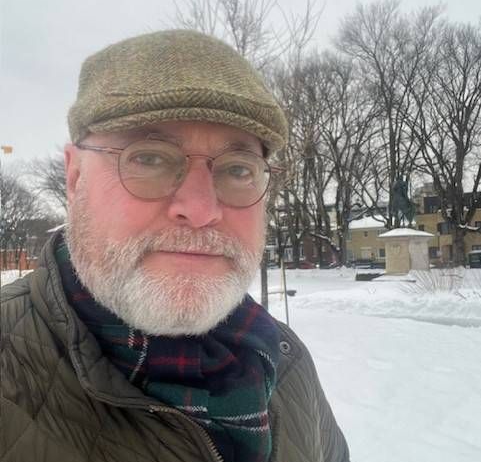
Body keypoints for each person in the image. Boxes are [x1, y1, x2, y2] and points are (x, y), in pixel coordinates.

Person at [1, 30, 349, 462]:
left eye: (238, 169)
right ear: (75, 179)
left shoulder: (287, 362)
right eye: (149, 158)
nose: (201, 210)